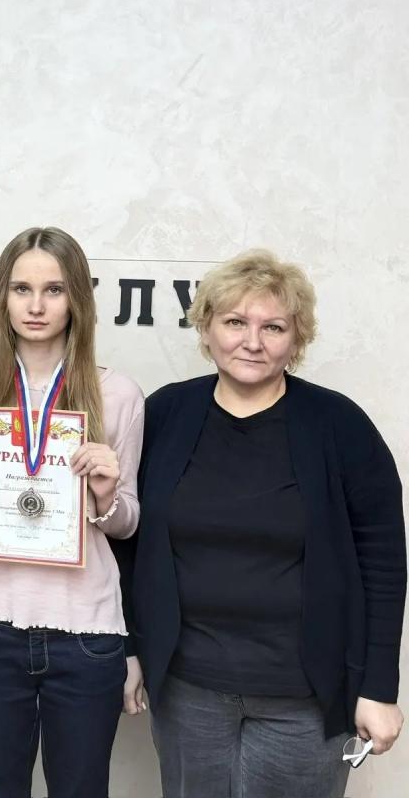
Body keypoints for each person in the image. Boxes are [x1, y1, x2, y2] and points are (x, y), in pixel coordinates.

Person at [113, 249, 406, 797]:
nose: (253, 341)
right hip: (188, 691)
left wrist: (378, 687)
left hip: (305, 699)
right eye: (235, 322)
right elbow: (127, 540)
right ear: (206, 329)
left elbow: (384, 565)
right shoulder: (166, 415)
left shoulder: (340, 426)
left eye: (273, 327)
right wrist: (129, 647)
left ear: (296, 339)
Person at [0, 227, 144, 798]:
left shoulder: (118, 394)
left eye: (54, 290)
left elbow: (128, 520)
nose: (36, 305)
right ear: (2, 297)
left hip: (86, 631)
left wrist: (104, 495)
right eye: (21, 289)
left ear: (77, 298)